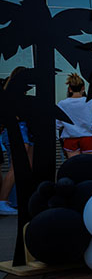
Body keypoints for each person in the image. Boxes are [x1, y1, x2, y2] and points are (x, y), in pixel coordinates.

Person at [0, 67, 34, 216]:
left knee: (24, 168)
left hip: (23, 129)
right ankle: (2, 201)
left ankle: (14, 201)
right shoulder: (12, 95)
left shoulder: (10, 94)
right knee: (16, 167)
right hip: (19, 129)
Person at [57, 73, 92, 158]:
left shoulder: (62, 104)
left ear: (69, 89)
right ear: (83, 88)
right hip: (88, 137)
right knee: (90, 164)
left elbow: (58, 124)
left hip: (70, 138)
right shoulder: (91, 102)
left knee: (74, 166)